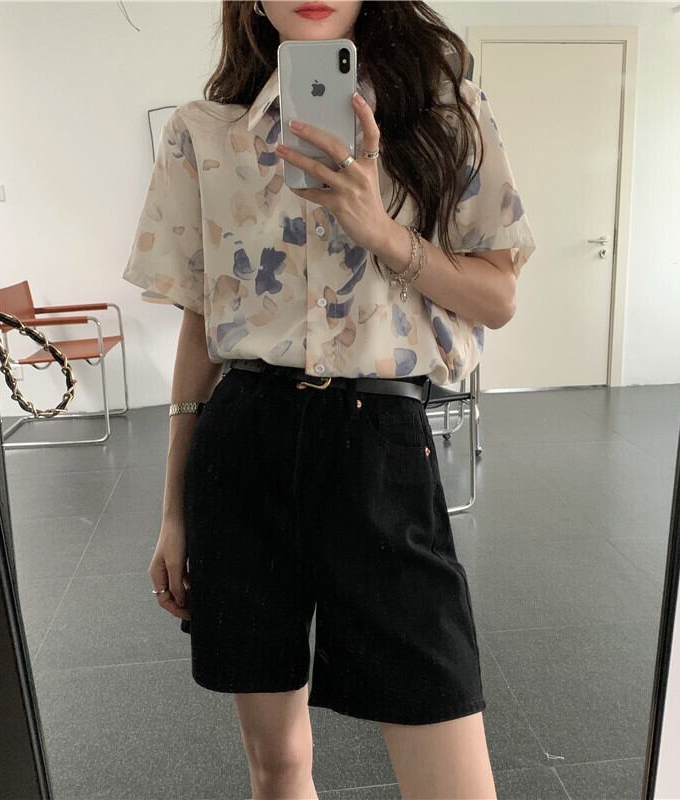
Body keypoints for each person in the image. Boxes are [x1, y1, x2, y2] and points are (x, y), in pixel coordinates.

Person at [122, 1, 536, 797]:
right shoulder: (202, 134)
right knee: (278, 766)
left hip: (379, 440)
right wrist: (173, 513)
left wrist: (381, 231)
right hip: (242, 445)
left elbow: (498, 298)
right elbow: (202, 327)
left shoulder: (446, 114)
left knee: (450, 760)